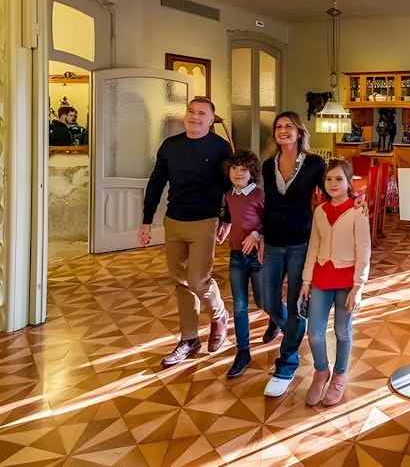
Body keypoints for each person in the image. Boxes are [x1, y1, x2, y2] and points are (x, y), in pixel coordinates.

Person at [138, 96, 233, 368]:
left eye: (202, 113)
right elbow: (156, 182)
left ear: (211, 119)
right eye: (191, 111)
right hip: (174, 220)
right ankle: (189, 339)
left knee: (198, 280)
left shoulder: (220, 147)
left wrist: (227, 218)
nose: (195, 117)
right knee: (180, 281)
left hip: (205, 220)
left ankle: (219, 315)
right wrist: (147, 220)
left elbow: (230, 186)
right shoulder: (170, 146)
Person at [259, 111, 327, 397]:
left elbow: (329, 192)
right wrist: (260, 234)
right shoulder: (267, 165)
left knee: (297, 303)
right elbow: (268, 204)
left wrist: (353, 202)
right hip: (273, 242)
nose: (283, 130)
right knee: (266, 299)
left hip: (301, 242)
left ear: (299, 132)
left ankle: (286, 365)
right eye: (279, 126)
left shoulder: (314, 163)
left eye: (289, 126)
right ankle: (293, 330)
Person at [299, 158, 371, 406]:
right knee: (314, 332)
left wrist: (358, 287)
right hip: (321, 278)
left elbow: (364, 251)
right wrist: (306, 280)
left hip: (347, 281)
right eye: (328, 179)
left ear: (349, 183)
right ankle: (321, 372)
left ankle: (340, 374)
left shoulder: (358, 212)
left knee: (342, 330)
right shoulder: (320, 211)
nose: (333, 183)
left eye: (339, 179)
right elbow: (313, 246)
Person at [216, 148, 274, 378]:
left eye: (244, 169)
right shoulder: (229, 195)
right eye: (234, 168)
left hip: (257, 257)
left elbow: (269, 220)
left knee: (263, 301)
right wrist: (224, 227)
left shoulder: (259, 195)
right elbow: (232, 216)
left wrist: (257, 234)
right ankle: (243, 352)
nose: (238, 173)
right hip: (236, 257)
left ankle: (286, 322)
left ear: (252, 173)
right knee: (239, 307)